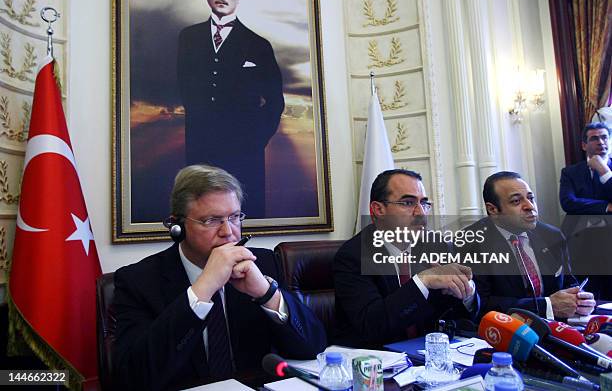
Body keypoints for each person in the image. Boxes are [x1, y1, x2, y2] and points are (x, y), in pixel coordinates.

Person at [112, 165, 326, 391]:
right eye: (211, 220)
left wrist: (266, 294)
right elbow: (132, 377)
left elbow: (313, 347)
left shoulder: (260, 263)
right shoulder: (138, 280)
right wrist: (203, 288)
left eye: (234, 217)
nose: (228, 232)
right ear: (178, 226)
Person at [177, 0, 285, 218]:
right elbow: (186, 90)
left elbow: (275, 102)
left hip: (244, 157)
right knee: (199, 221)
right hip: (200, 153)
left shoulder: (258, 45)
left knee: (242, 222)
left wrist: (254, 141)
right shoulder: (188, 39)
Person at [333, 169, 478, 348]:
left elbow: (461, 316)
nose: (421, 213)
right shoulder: (353, 256)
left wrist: (467, 292)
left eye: (424, 203)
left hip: (430, 358)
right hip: (377, 363)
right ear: (378, 209)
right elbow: (372, 325)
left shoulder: (437, 246)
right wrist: (423, 281)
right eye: (408, 203)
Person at [465, 171, 596, 319]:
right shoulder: (471, 243)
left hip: (558, 327)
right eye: (516, 201)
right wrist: (546, 306)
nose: (529, 206)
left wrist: (578, 299)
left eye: (530, 198)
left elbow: (568, 281)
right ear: (493, 209)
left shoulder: (552, 235)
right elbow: (480, 303)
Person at [559, 122, 612, 215]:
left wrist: (604, 171)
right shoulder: (570, 172)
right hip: (580, 227)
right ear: (584, 146)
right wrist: (606, 206)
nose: (601, 142)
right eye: (594, 138)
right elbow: (568, 202)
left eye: (604, 137)